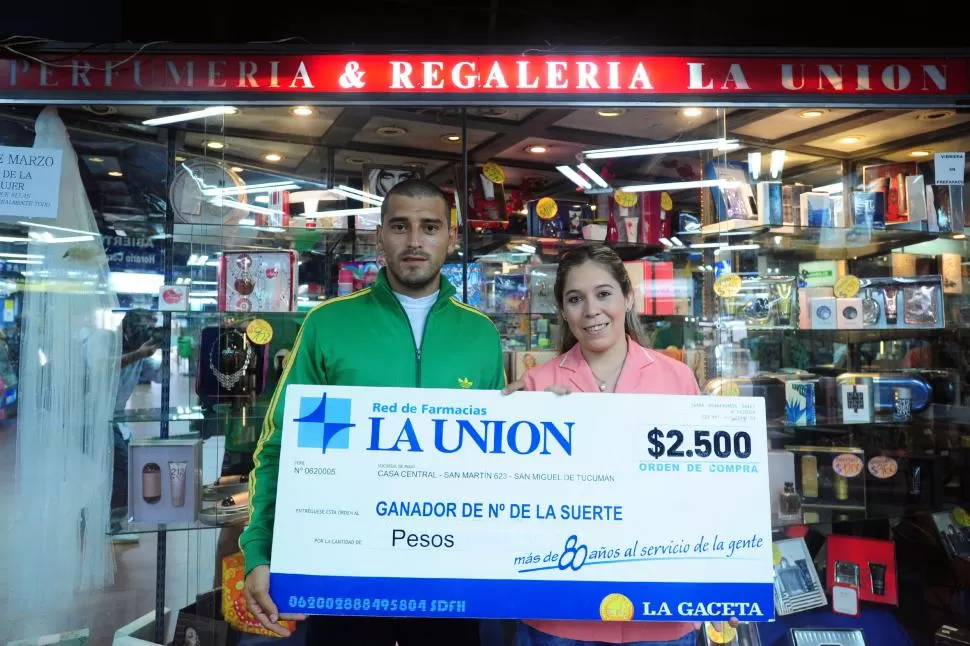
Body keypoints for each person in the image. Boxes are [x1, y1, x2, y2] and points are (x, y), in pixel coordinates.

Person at [240, 178, 506, 644]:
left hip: (449, 576)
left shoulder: (480, 335)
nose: (416, 241)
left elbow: (496, 462)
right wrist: (259, 550)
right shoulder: (328, 324)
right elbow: (280, 447)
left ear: (451, 237)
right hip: (344, 569)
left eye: (430, 227)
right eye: (400, 226)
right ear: (380, 235)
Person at [504, 243, 722, 646]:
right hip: (563, 609)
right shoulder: (535, 386)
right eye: (575, 299)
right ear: (563, 310)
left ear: (628, 297)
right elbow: (516, 499)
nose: (591, 310)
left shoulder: (677, 379)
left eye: (603, 294)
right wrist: (503, 416)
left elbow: (702, 487)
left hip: (659, 605)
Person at [111, 309, 164, 543]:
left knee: (123, 468)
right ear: (130, 329)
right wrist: (138, 353)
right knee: (123, 467)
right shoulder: (107, 341)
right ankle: (114, 524)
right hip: (92, 419)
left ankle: (93, 516)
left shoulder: (140, 352)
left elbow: (159, 375)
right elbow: (104, 366)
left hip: (116, 419)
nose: (148, 335)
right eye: (145, 329)